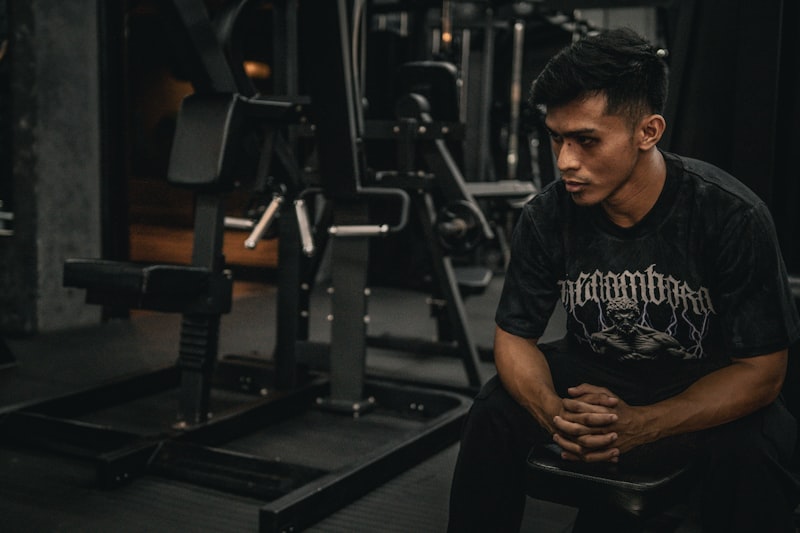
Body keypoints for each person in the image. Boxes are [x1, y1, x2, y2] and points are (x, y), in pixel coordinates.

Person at [447, 27, 800, 532]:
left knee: (757, 445)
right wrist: (555, 415)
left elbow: (763, 371)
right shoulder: (547, 215)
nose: (566, 160)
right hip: (595, 376)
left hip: (701, 385)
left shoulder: (730, 215)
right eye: (556, 137)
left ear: (647, 132)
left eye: (587, 140)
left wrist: (645, 424)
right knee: (494, 409)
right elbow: (513, 337)